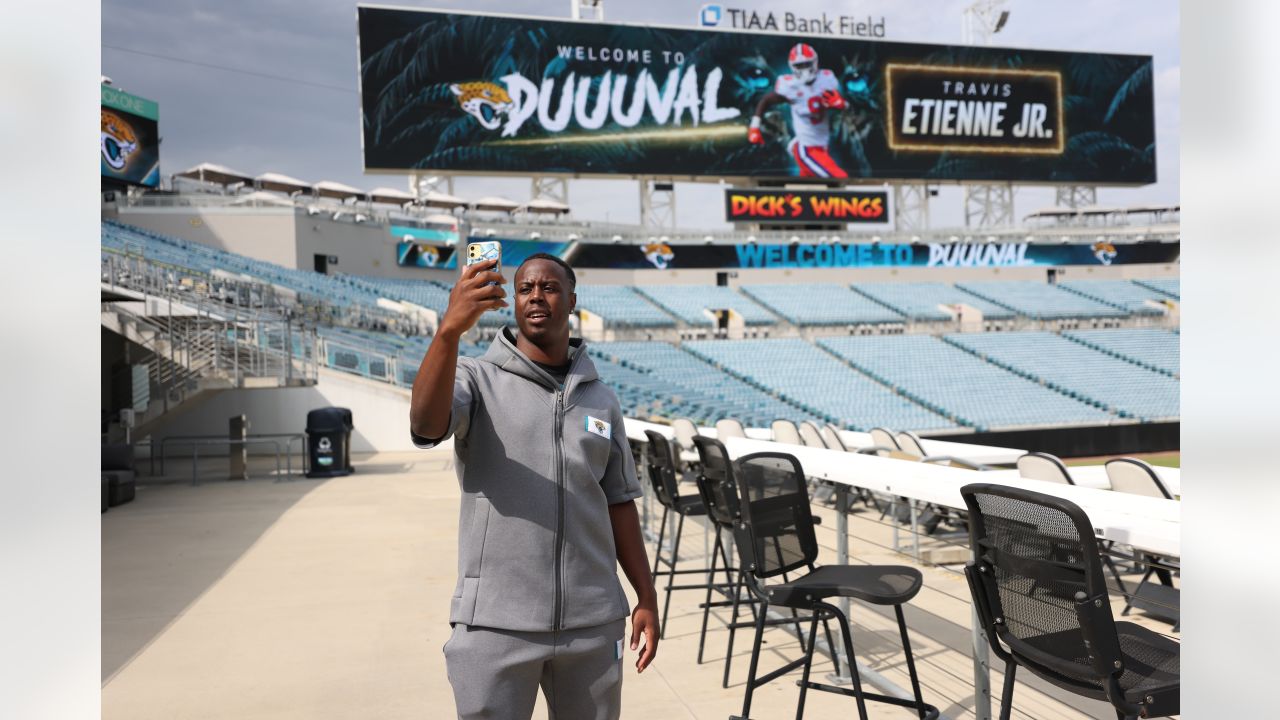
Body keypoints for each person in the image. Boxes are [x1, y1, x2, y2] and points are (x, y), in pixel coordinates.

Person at [409, 252, 658, 720]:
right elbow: (425, 425)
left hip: (593, 622)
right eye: (525, 288)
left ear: (571, 300)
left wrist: (646, 594)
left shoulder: (601, 398)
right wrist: (448, 332)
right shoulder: (475, 380)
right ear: (514, 301)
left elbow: (619, 502)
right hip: (496, 624)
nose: (536, 296)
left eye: (548, 287)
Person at [747, 42, 849, 179]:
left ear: (815, 62)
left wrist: (841, 104)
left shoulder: (826, 78)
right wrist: (754, 126)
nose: (804, 69)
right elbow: (765, 100)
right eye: (799, 66)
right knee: (840, 179)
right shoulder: (789, 85)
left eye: (807, 64)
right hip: (806, 148)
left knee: (802, 195)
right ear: (792, 67)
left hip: (822, 147)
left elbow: (847, 107)